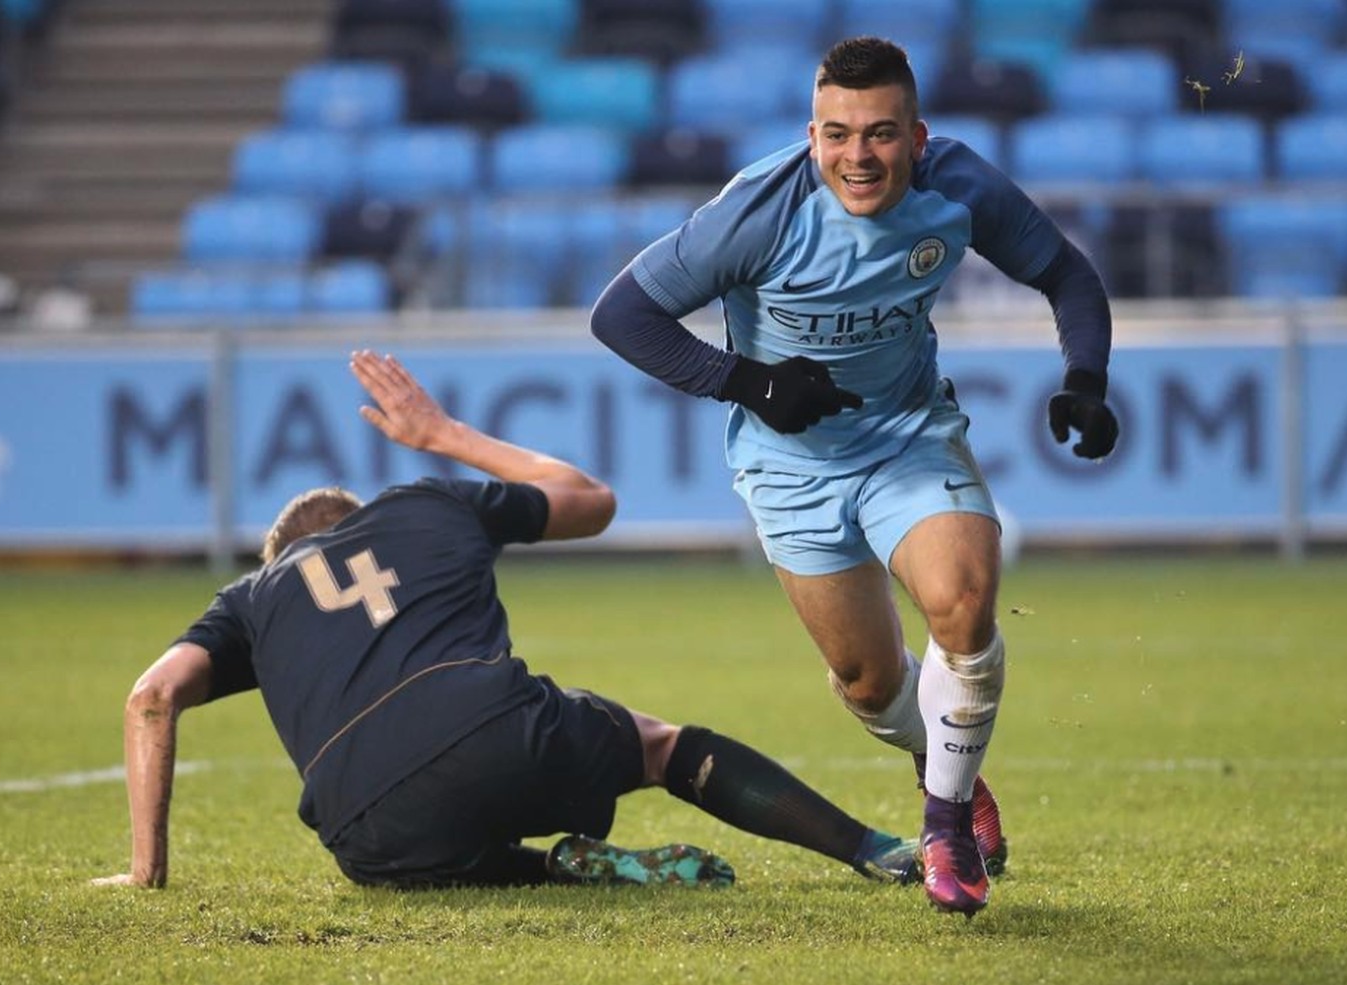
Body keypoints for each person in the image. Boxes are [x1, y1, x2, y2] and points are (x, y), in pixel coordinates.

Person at [589, 37, 1120, 914]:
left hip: (909, 436)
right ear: (812, 134)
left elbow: (1065, 273)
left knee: (962, 600)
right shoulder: (758, 210)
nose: (857, 156)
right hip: (789, 467)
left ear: (917, 136)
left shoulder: (960, 185)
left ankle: (945, 825)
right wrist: (750, 382)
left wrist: (1087, 380)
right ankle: (937, 758)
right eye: (837, 135)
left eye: (879, 134)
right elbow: (623, 314)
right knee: (870, 684)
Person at [92, 350, 927, 892]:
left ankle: (564, 873)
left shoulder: (252, 601)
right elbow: (590, 501)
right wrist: (441, 433)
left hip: (367, 837)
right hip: (494, 731)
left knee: (437, 847)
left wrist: (146, 874)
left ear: (280, 558)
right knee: (664, 747)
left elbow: (152, 699)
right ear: (355, 519)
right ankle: (872, 849)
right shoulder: (419, 502)